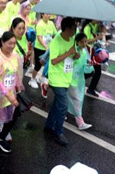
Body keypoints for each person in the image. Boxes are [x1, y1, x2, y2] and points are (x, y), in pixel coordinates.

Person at [44, 17, 78, 146]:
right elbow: (53, 61)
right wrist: (68, 52)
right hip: (56, 78)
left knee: (57, 104)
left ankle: (48, 125)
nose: (75, 31)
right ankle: (58, 133)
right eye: (74, 28)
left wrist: (75, 55)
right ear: (67, 29)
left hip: (66, 78)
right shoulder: (56, 41)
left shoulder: (72, 39)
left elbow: (72, 56)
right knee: (63, 106)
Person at [67, 33, 94, 130]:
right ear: (77, 42)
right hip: (71, 80)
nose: (84, 43)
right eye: (82, 41)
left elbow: (86, 69)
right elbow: (68, 64)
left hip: (79, 81)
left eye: (85, 41)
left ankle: (60, 113)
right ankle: (80, 122)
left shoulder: (84, 53)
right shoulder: (73, 51)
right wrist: (73, 58)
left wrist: (90, 65)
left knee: (69, 98)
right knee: (77, 100)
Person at [31, 13, 57, 89]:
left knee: (47, 64)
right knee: (38, 65)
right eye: (47, 14)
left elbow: (55, 34)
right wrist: (45, 46)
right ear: (42, 15)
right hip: (39, 48)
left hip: (49, 48)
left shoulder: (51, 23)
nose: (49, 15)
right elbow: (39, 37)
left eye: (49, 14)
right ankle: (32, 79)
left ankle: (42, 77)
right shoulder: (40, 24)